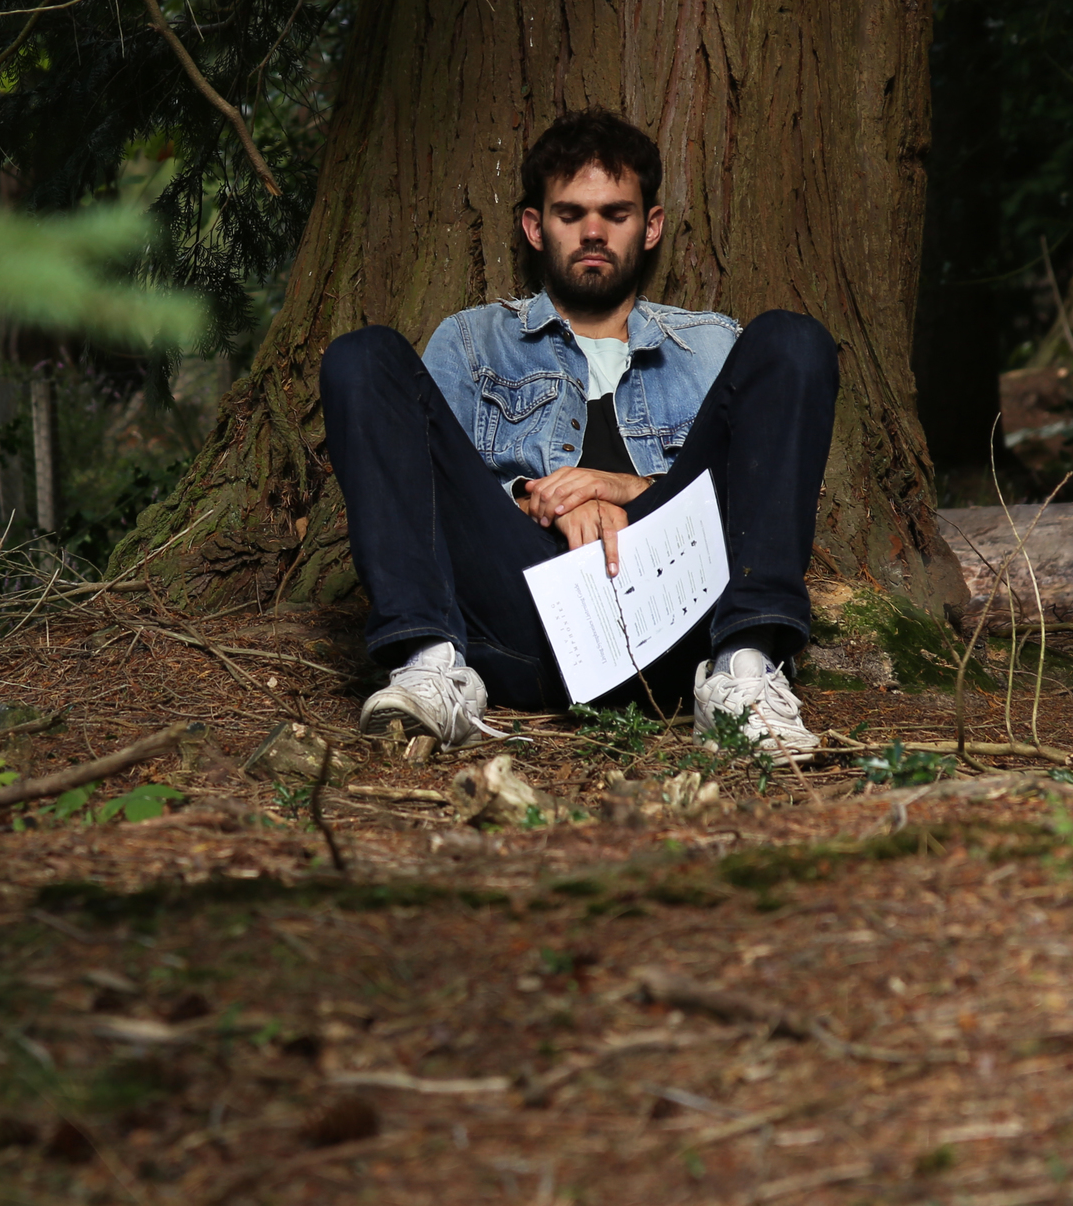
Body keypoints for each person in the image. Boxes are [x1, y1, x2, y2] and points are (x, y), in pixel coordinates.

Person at [318, 108, 839, 757]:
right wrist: (536, 501)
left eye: (615, 214)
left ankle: (744, 678)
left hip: (678, 627)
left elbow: (762, 498)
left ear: (649, 227)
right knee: (363, 356)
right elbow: (424, 491)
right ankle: (431, 665)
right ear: (535, 227)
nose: (593, 232)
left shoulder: (712, 346)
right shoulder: (472, 340)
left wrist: (624, 488)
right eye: (571, 214)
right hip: (522, 620)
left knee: (792, 340)